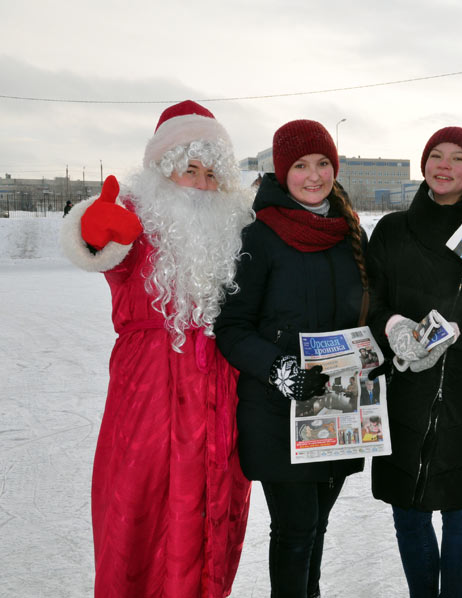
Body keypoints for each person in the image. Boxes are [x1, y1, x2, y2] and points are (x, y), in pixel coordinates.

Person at [59, 100, 254, 597]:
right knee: (138, 515)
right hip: (149, 400)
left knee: (216, 514)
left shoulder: (236, 234)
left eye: (213, 174)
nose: (204, 184)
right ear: (163, 173)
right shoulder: (137, 221)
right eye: (190, 170)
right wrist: (92, 227)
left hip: (220, 398)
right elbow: (99, 243)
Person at [213, 119, 368, 598]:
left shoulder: (347, 233)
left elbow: (365, 310)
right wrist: (279, 369)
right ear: (282, 172)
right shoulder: (258, 238)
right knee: (296, 531)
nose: (314, 175)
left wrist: (373, 351)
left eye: (323, 163)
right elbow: (232, 328)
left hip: (337, 411)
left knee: (316, 527)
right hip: (278, 412)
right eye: (300, 166)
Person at [366, 127, 462, 598]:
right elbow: (370, 301)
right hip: (406, 391)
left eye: (458, 158)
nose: (444, 166)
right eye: (436, 156)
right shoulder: (392, 229)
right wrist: (394, 328)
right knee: (408, 508)